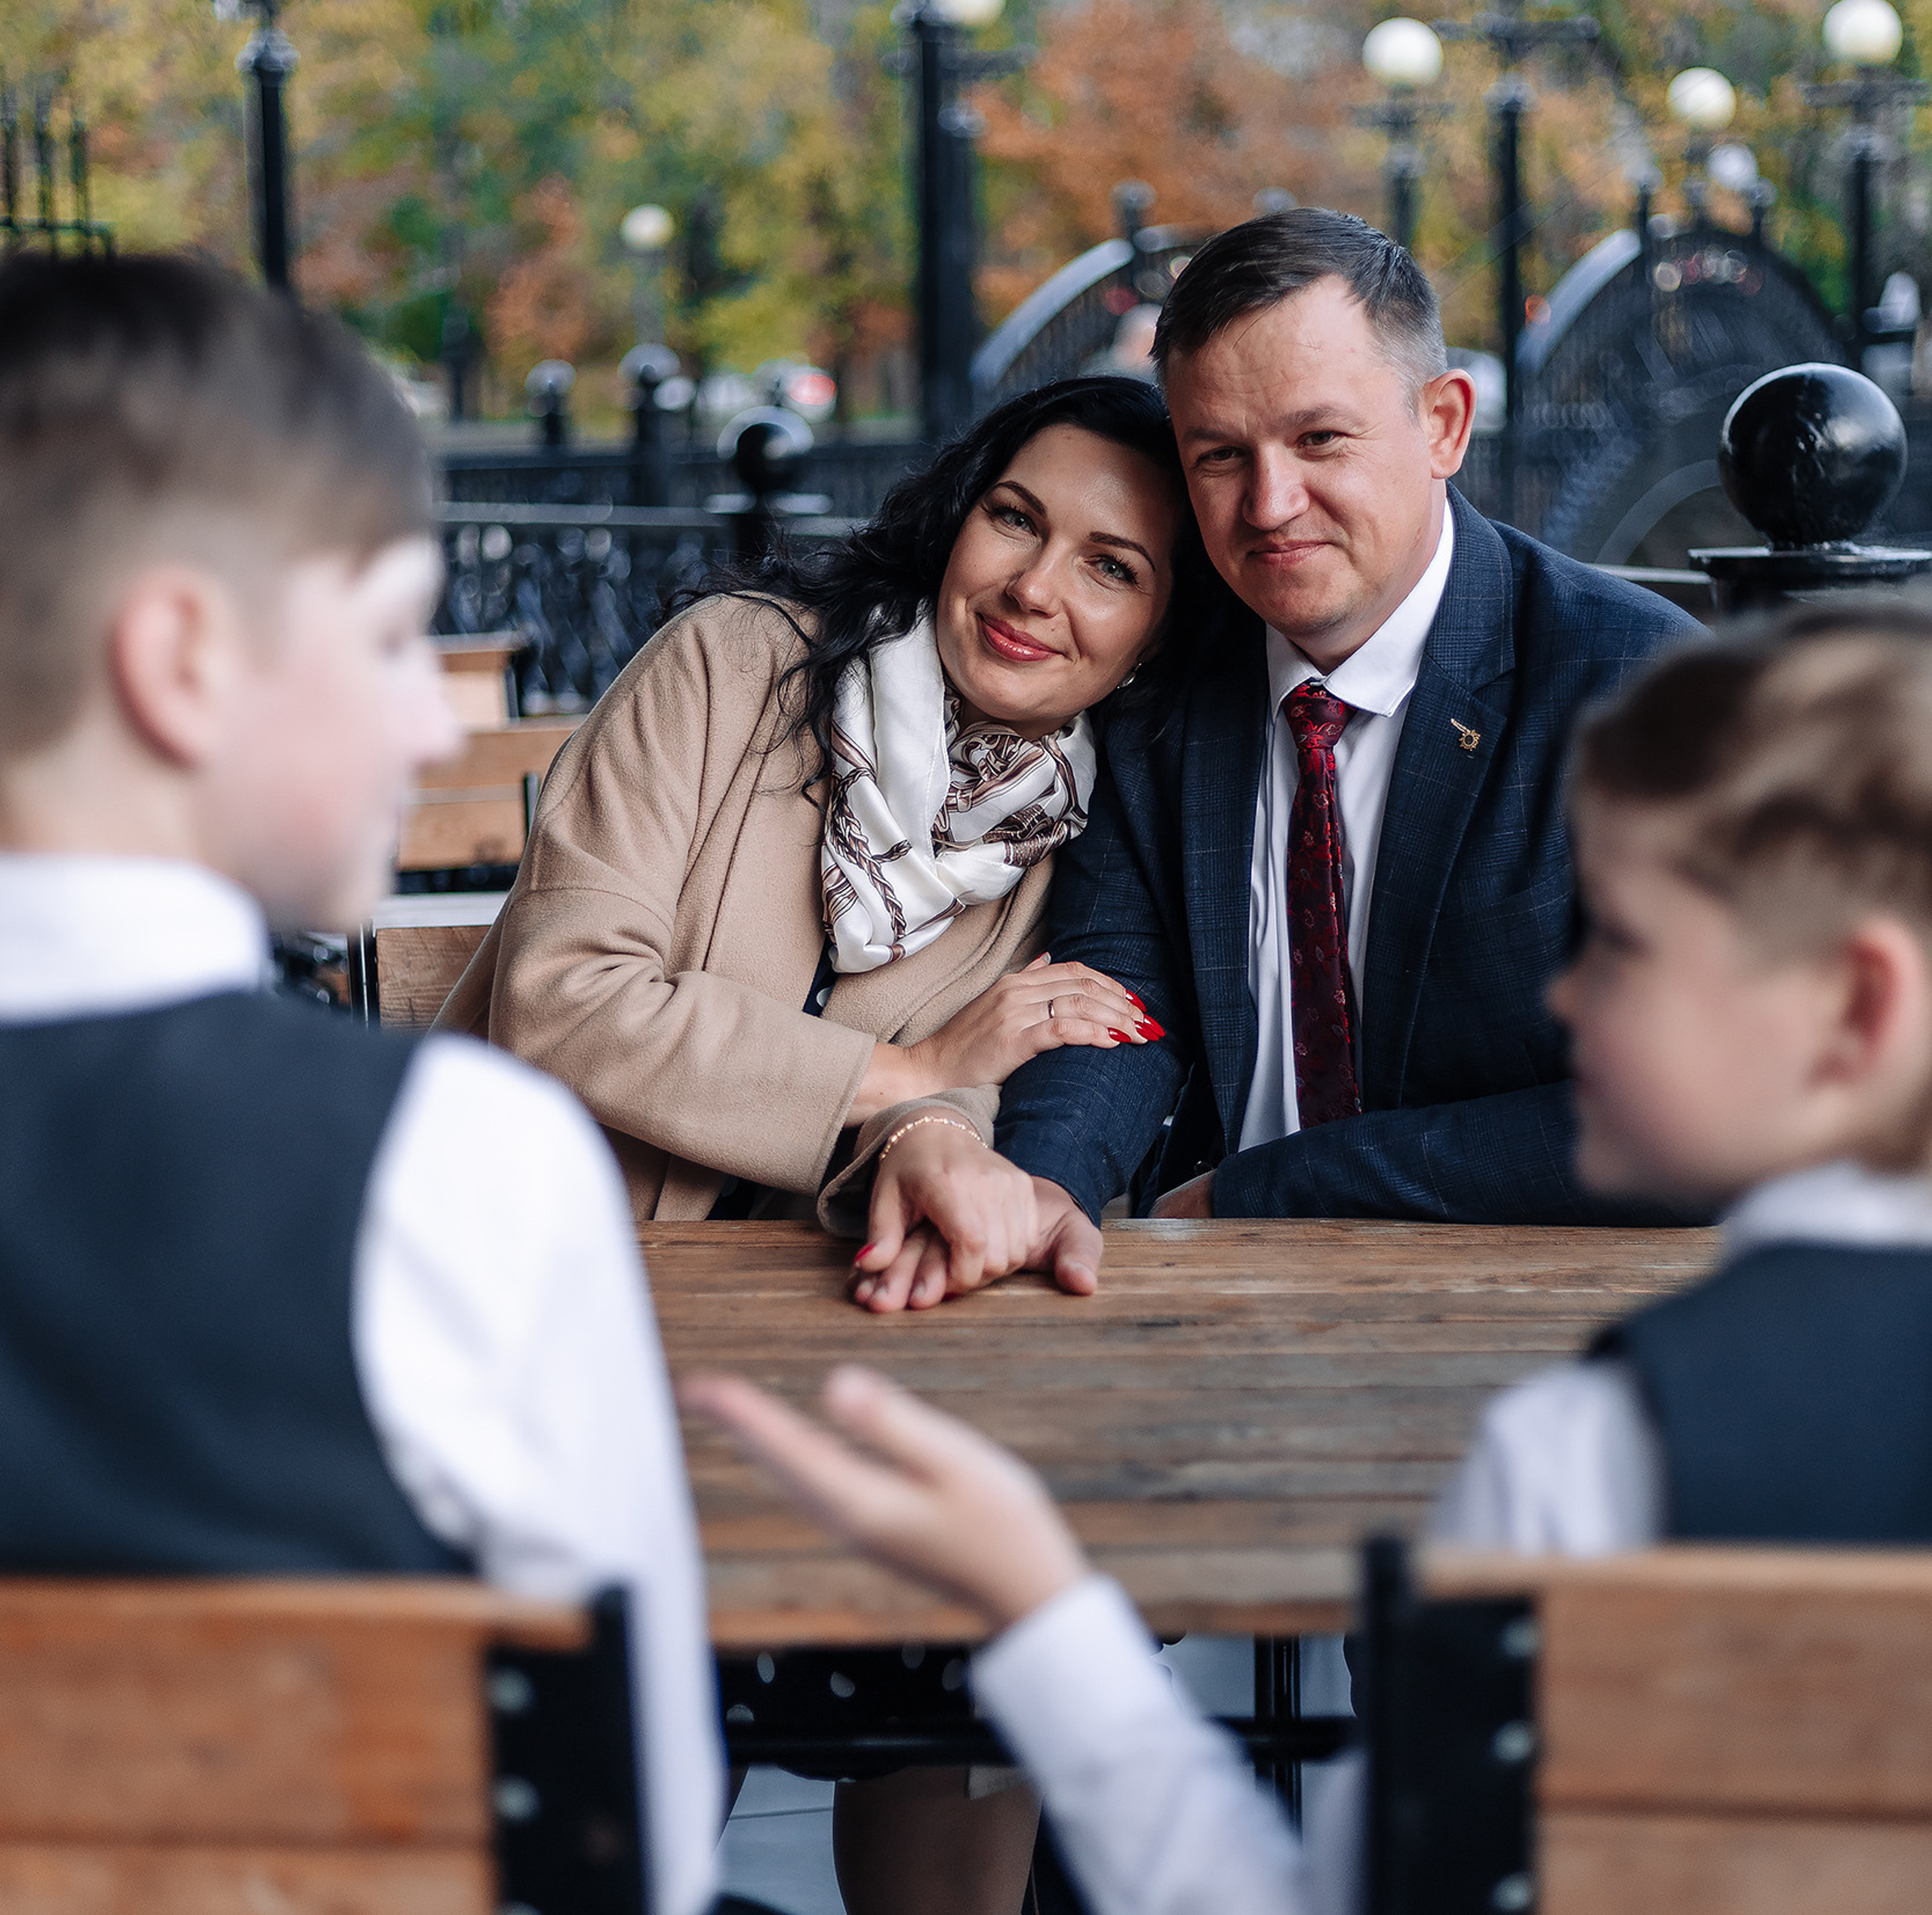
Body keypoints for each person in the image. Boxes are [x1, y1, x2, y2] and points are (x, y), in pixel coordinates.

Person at [686, 616, 1932, 1915]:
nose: (1566, 999)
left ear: (1858, 1005)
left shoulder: (1585, 1459)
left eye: (1621, 945)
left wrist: (1044, 1610)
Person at [0, 252, 718, 1915]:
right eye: (396, 635)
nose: (428, 722)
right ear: (182, 657)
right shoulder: (456, 1164)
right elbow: (642, 1835)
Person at [438, 376, 1201, 1915]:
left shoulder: (1062, 840)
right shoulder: (733, 667)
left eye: (1110, 567)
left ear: (1154, 636)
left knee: (980, 1623)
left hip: (806, 1376)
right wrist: (910, 1072)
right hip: (536, 1346)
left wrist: (928, 1126)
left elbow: (959, 1107)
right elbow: (564, 997)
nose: (1035, 588)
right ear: (955, 514)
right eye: (1015, 519)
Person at [861, 207, 1705, 1308]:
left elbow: (1694, 1107)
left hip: (1543, 1307)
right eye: (1220, 455)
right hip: (1203, 1303)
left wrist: (1270, 1189)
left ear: (1444, 426)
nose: (1269, 505)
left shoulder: (1634, 683)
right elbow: (1119, 996)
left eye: (1319, 441)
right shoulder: (1164, 673)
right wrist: (1038, 1187)